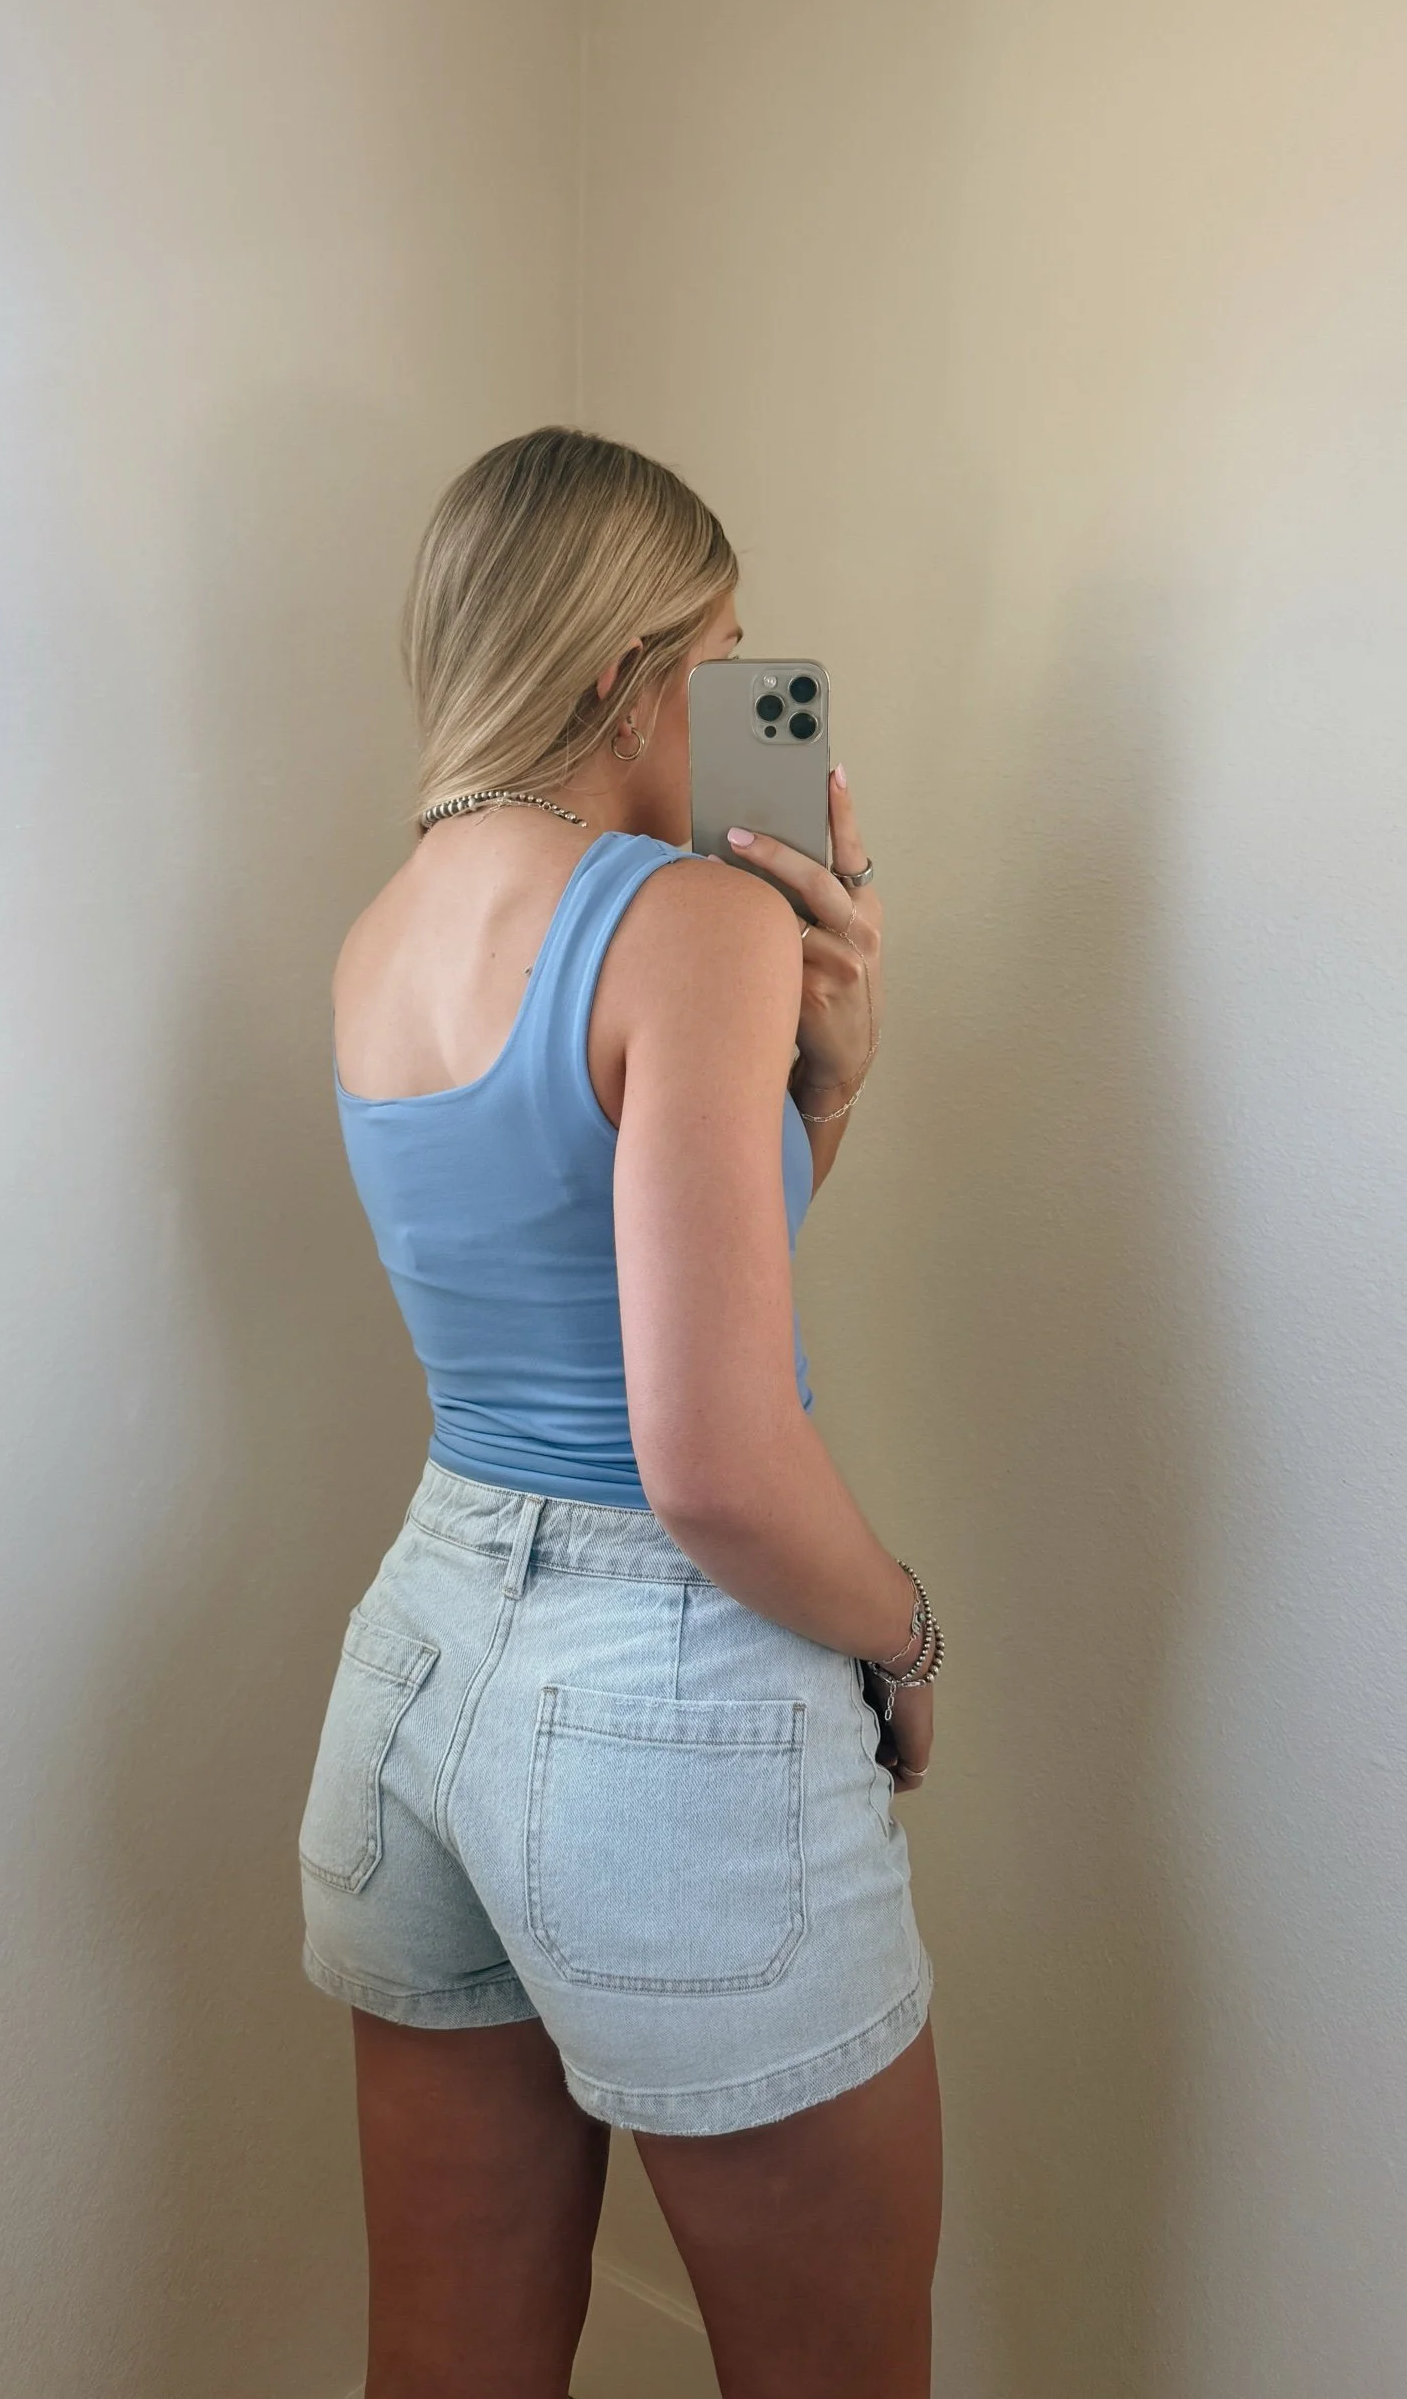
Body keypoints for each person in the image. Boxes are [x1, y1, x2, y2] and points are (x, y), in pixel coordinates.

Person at [300, 426, 942, 2399]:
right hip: (666, 1689)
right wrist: (903, 1634)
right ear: (623, 674)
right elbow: (714, 1462)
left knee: (449, 2357)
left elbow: (620, 1279)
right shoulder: (694, 921)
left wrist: (824, 1083)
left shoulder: (384, 933)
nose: (742, 705)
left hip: (417, 1667)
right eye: (724, 659)